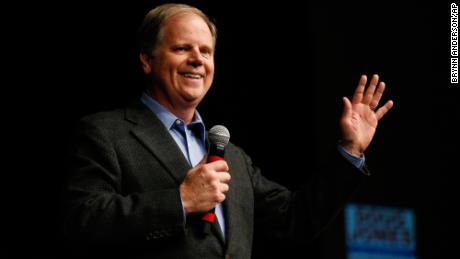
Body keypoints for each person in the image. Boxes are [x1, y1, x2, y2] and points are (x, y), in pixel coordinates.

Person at [61, 3, 393, 258]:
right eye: (182, 49)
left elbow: (296, 221)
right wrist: (179, 201)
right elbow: (81, 221)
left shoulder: (232, 157)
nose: (197, 59)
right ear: (147, 60)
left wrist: (350, 151)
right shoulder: (106, 133)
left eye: (205, 51)